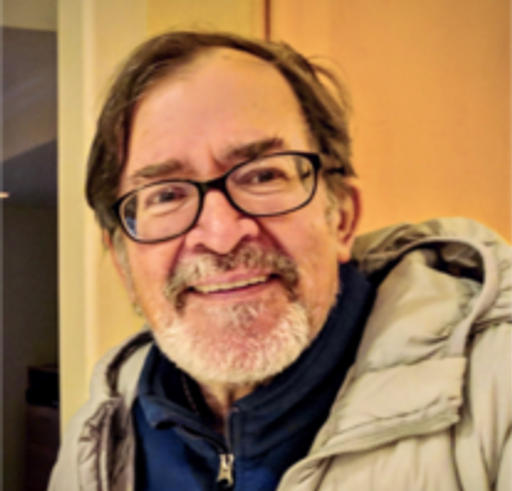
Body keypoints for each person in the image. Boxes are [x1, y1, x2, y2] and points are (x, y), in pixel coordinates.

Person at [49, 31, 512, 491]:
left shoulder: (497, 385)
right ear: (123, 263)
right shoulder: (100, 434)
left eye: (262, 175)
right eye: (166, 195)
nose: (222, 235)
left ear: (341, 218)